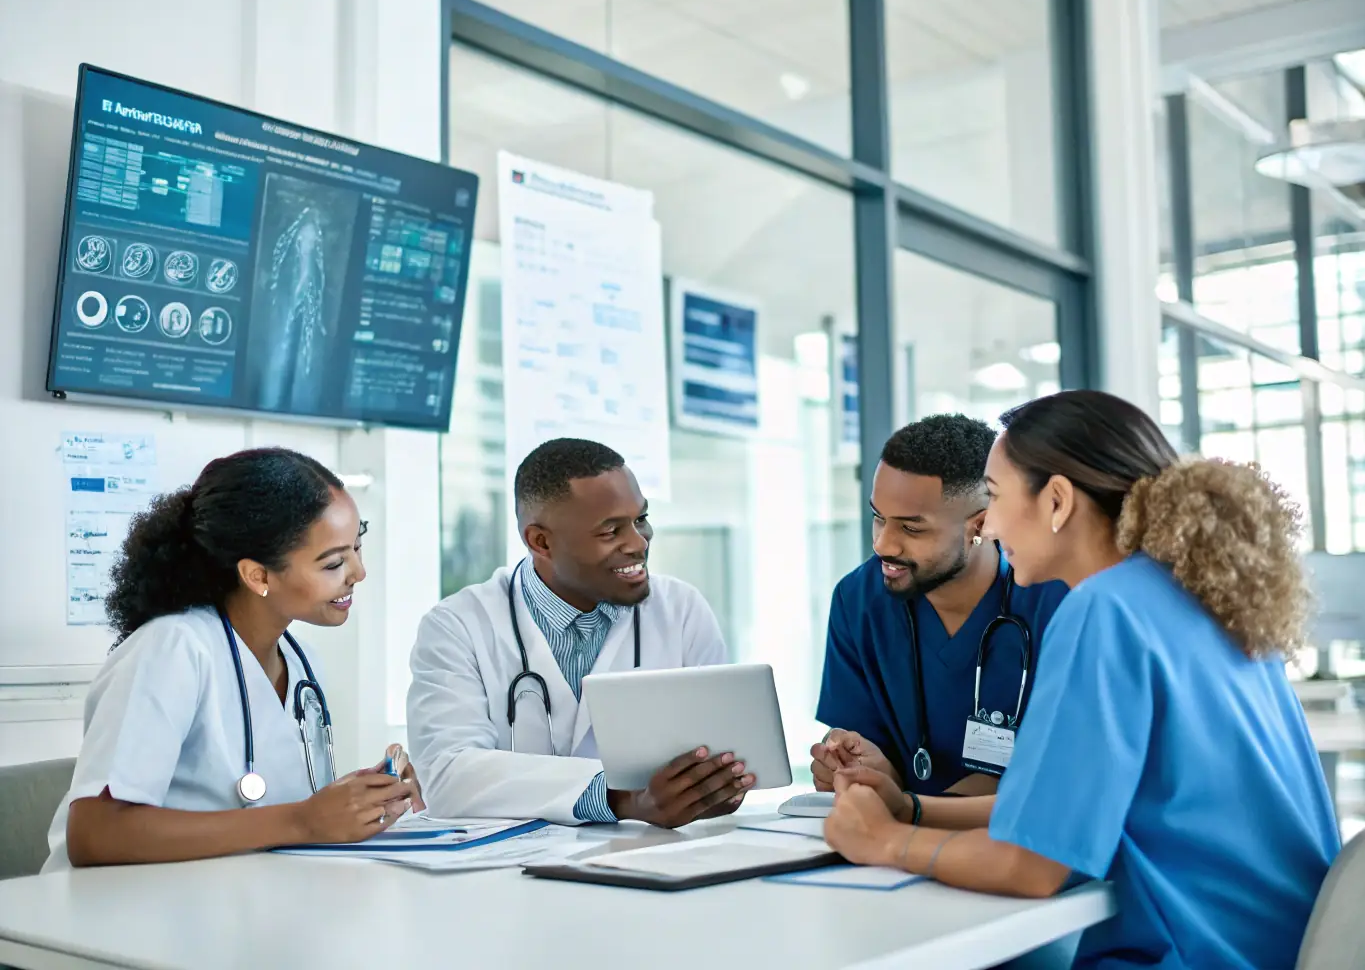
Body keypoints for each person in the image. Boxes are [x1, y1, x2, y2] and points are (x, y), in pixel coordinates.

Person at [823, 390, 1341, 970]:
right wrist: (914, 809)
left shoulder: (1106, 609)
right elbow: (1057, 807)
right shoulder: (1206, 599)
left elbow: (1032, 865)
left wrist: (885, 842)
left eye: (993, 497)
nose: (988, 525)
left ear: (1058, 501)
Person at [45, 448, 423, 871]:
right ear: (257, 575)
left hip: (232, 903)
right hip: (113, 916)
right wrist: (302, 820)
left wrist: (361, 802)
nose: (359, 572)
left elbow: (281, 819)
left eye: (357, 547)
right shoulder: (173, 649)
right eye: (334, 562)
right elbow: (95, 834)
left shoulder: (300, 662)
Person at [407, 438, 752, 826]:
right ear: (541, 541)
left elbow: (723, 750)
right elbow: (448, 776)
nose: (639, 543)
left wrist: (714, 787)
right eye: (610, 531)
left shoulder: (681, 611)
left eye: (640, 520)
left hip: (650, 861)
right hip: (504, 876)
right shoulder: (457, 626)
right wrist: (620, 799)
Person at [811, 415, 1069, 811]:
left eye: (912, 529)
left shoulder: (1052, 600)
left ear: (981, 525)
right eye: (879, 517)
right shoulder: (859, 599)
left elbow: (1055, 785)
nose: (883, 544)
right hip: (897, 850)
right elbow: (872, 765)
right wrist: (862, 768)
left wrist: (912, 810)